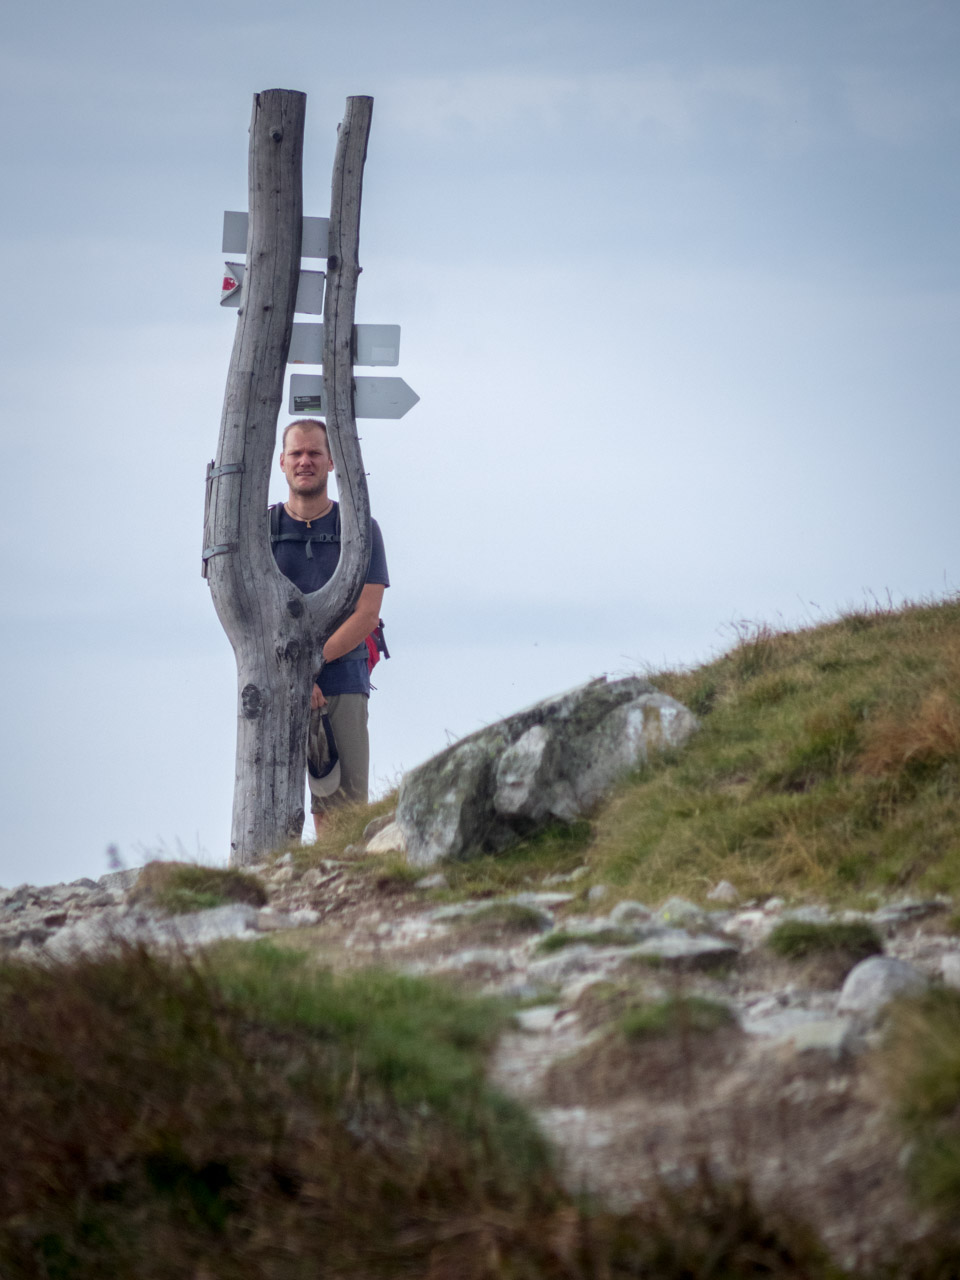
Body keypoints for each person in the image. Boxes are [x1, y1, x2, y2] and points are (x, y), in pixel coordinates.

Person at [272, 418, 389, 832]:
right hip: (270, 687)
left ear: (332, 462)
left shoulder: (360, 529)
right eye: (297, 453)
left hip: (341, 681)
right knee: (266, 804)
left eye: (314, 453)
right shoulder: (260, 531)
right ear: (281, 463)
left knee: (340, 815)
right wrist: (292, 677)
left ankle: (333, 892)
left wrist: (312, 668)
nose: (305, 461)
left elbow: (367, 615)